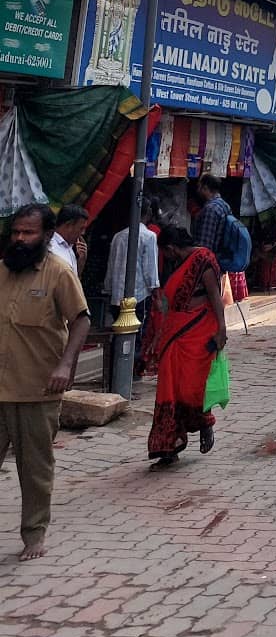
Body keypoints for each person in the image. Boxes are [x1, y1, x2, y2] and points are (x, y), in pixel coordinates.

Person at [0, 203, 90, 559]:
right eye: (16, 232)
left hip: (37, 389)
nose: (20, 239)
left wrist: (65, 366)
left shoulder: (58, 273)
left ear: (47, 235)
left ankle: (34, 534)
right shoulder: (2, 270)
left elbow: (81, 320)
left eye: (28, 232)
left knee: (35, 469)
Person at [147, 226, 226, 466]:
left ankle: (204, 423)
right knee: (169, 387)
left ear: (171, 249)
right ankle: (168, 446)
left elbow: (215, 296)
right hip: (174, 333)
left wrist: (222, 329)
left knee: (191, 387)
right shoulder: (179, 264)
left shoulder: (203, 260)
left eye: (166, 253)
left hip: (197, 332)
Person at [105, 200, 161, 375]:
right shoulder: (148, 237)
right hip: (139, 295)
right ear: (148, 214)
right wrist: (156, 292)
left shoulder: (118, 236)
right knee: (136, 336)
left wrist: (109, 289)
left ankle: (118, 373)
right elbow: (150, 270)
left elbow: (111, 266)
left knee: (120, 335)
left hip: (117, 296)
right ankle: (128, 374)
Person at [192, 173, 231, 260]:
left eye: (199, 187)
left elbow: (205, 245)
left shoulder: (210, 209)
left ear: (205, 188)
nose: (198, 190)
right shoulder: (224, 205)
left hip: (211, 260)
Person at [48, 204, 89, 276]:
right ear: (68, 225)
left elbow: (74, 279)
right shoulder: (49, 246)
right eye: (81, 228)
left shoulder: (70, 247)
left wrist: (81, 261)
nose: (83, 233)